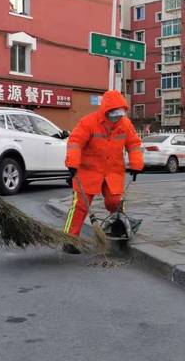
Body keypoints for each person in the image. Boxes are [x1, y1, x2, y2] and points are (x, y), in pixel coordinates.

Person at [62, 90, 144, 253]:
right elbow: (75, 142)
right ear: (105, 111)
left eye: (120, 113)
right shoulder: (88, 122)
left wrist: (136, 164)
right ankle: (69, 240)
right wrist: (72, 162)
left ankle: (118, 227)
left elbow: (134, 144)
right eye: (113, 113)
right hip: (88, 171)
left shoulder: (125, 124)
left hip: (112, 171)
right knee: (80, 206)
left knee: (115, 201)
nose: (117, 117)